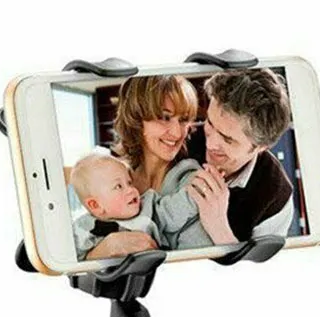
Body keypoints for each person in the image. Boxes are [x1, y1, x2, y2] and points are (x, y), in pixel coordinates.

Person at [83, 75, 207, 260]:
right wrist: (103, 250)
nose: (177, 133)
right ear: (137, 119)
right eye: (165, 117)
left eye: (183, 120)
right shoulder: (114, 176)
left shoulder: (192, 185)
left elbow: (196, 263)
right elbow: (85, 237)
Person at [176, 68, 295, 248]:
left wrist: (218, 227)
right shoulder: (178, 142)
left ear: (261, 147)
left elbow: (256, 265)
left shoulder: (276, 198)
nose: (210, 144)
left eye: (227, 139)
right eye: (210, 123)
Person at [69, 151, 205, 259]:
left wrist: (199, 190)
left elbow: (174, 209)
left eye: (129, 183)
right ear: (95, 205)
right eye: (118, 186)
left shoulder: (148, 207)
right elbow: (71, 260)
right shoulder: (84, 228)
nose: (131, 190)